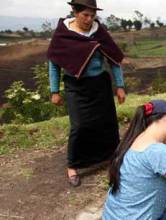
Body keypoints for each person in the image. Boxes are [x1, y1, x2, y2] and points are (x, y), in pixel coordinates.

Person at [47, 0, 126, 187]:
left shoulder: (99, 32)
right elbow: (54, 63)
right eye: (85, 15)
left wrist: (120, 86)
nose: (89, 19)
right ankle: (73, 166)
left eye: (93, 15)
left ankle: (110, 158)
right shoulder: (63, 34)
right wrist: (54, 91)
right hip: (76, 86)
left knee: (107, 123)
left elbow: (114, 60)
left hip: (100, 84)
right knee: (80, 126)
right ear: (74, 12)